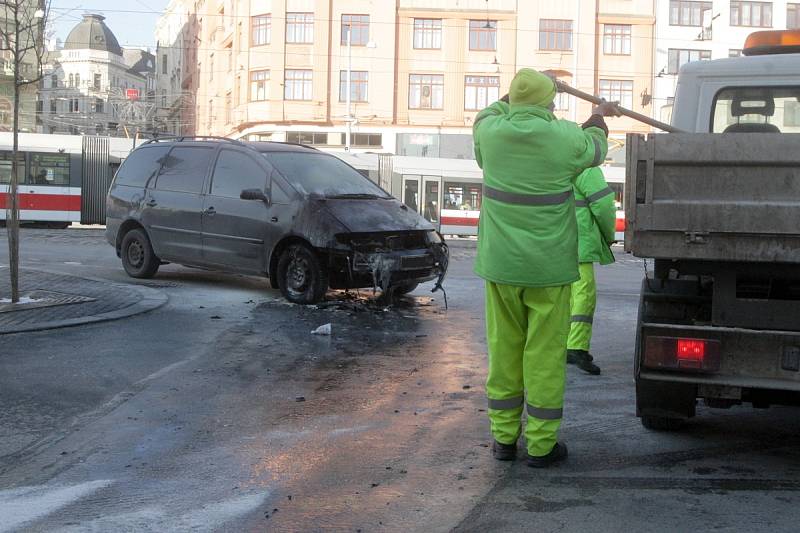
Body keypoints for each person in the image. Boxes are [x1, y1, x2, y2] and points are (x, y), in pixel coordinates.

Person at [473, 68, 619, 468]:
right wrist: (599, 114)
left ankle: (503, 440)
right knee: (543, 357)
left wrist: (525, 91)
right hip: (549, 270)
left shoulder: (490, 133)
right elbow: (596, 147)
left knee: (503, 351)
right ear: (548, 104)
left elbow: (491, 110)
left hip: (500, 267)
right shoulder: (565, 137)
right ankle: (540, 446)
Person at [567, 168, 617, 375]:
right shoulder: (586, 168)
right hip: (579, 244)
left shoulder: (556, 157)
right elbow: (604, 206)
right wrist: (608, 234)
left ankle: (562, 345)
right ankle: (576, 347)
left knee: (561, 297)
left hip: (553, 242)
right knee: (583, 297)